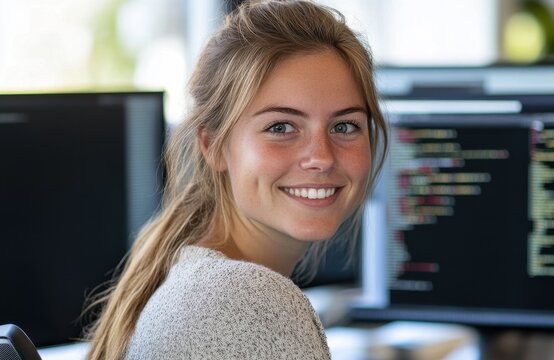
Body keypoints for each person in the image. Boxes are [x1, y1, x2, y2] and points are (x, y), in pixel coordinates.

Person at [85, 0, 388, 358]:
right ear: (212, 144)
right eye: (281, 127)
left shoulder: (194, 275)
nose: (321, 156)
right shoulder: (252, 302)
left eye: (344, 126)